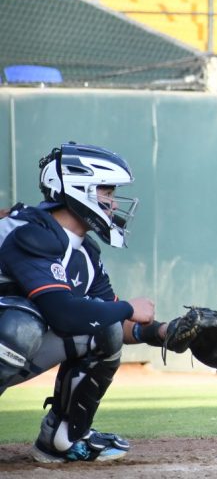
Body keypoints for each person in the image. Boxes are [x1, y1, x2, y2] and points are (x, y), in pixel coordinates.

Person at [0, 143, 167, 462]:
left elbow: (111, 320)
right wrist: (129, 307)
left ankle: (63, 438)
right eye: (107, 191)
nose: (113, 203)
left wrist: (164, 332)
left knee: (104, 330)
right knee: (20, 325)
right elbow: (62, 314)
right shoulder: (29, 233)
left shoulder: (84, 253)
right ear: (80, 188)